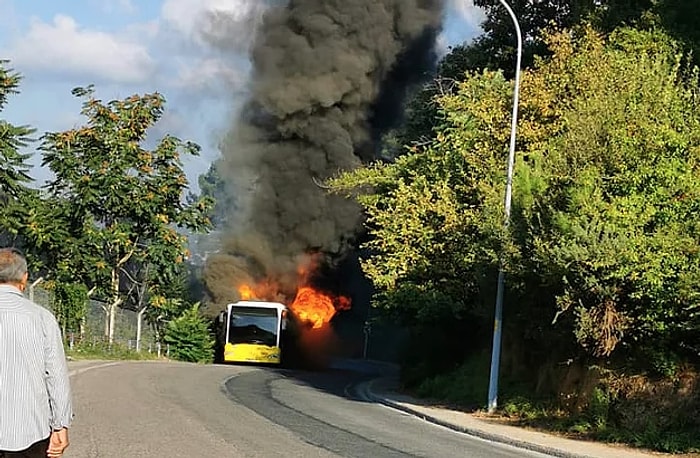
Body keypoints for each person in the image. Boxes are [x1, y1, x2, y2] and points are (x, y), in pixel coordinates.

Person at [0, 248, 73, 458]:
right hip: (30, 432)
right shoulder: (42, 318)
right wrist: (61, 425)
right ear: (24, 278)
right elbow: (56, 376)